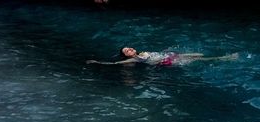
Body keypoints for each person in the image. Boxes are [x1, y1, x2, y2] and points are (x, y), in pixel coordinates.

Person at [86, 47, 238, 66]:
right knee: (200, 59)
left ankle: (223, 58)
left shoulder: (142, 52)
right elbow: (114, 64)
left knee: (199, 53)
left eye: (129, 48)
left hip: (171, 55)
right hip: (167, 61)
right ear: (127, 56)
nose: (130, 49)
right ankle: (227, 58)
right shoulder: (136, 59)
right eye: (127, 51)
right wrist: (97, 62)